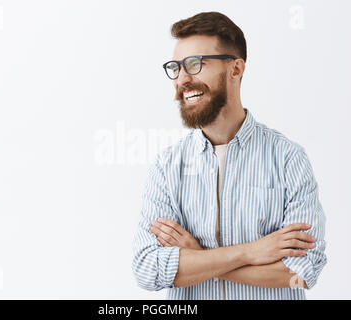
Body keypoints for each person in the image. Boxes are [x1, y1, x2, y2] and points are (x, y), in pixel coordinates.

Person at [131, 11, 327, 300]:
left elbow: (301, 271)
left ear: (236, 69)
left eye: (195, 64)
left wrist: (199, 256)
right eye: (176, 67)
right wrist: (252, 252)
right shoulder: (167, 167)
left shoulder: (288, 159)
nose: (182, 79)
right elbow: (147, 269)